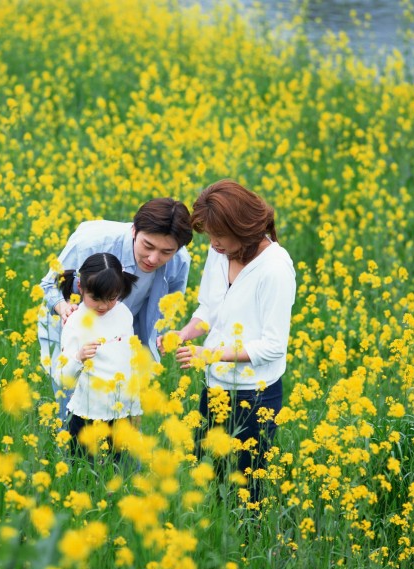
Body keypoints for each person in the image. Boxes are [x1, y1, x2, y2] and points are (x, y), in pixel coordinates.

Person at [171, 180, 296, 502]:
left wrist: (209, 354)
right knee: (205, 479)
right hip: (215, 387)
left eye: (219, 236)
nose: (213, 244)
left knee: (246, 490)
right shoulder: (222, 252)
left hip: (255, 396)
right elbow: (210, 307)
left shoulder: (275, 269)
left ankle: (247, 548)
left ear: (244, 228)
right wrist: (185, 333)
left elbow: (272, 347)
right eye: (209, 236)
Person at [38, 197, 193, 423]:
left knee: (125, 421)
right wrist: (63, 308)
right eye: (147, 246)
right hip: (75, 336)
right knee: (73, 418)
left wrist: (160, 335)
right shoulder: (91, 243)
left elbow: (168, 304)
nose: (153, 258)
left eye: (166, 252)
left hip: (123, 338)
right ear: (134, 230)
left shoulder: (179, 260)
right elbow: (49, 284)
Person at [54, 252, 140, 450]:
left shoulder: (123, 313)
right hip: (88, 414)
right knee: (84, 474)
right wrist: (79, 357)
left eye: (112, 298)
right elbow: (62, 377)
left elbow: (129, 361)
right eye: (96, 298)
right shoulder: (75, 321)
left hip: (121, 411)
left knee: (119, 472)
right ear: (80, 288)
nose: (103, 305)